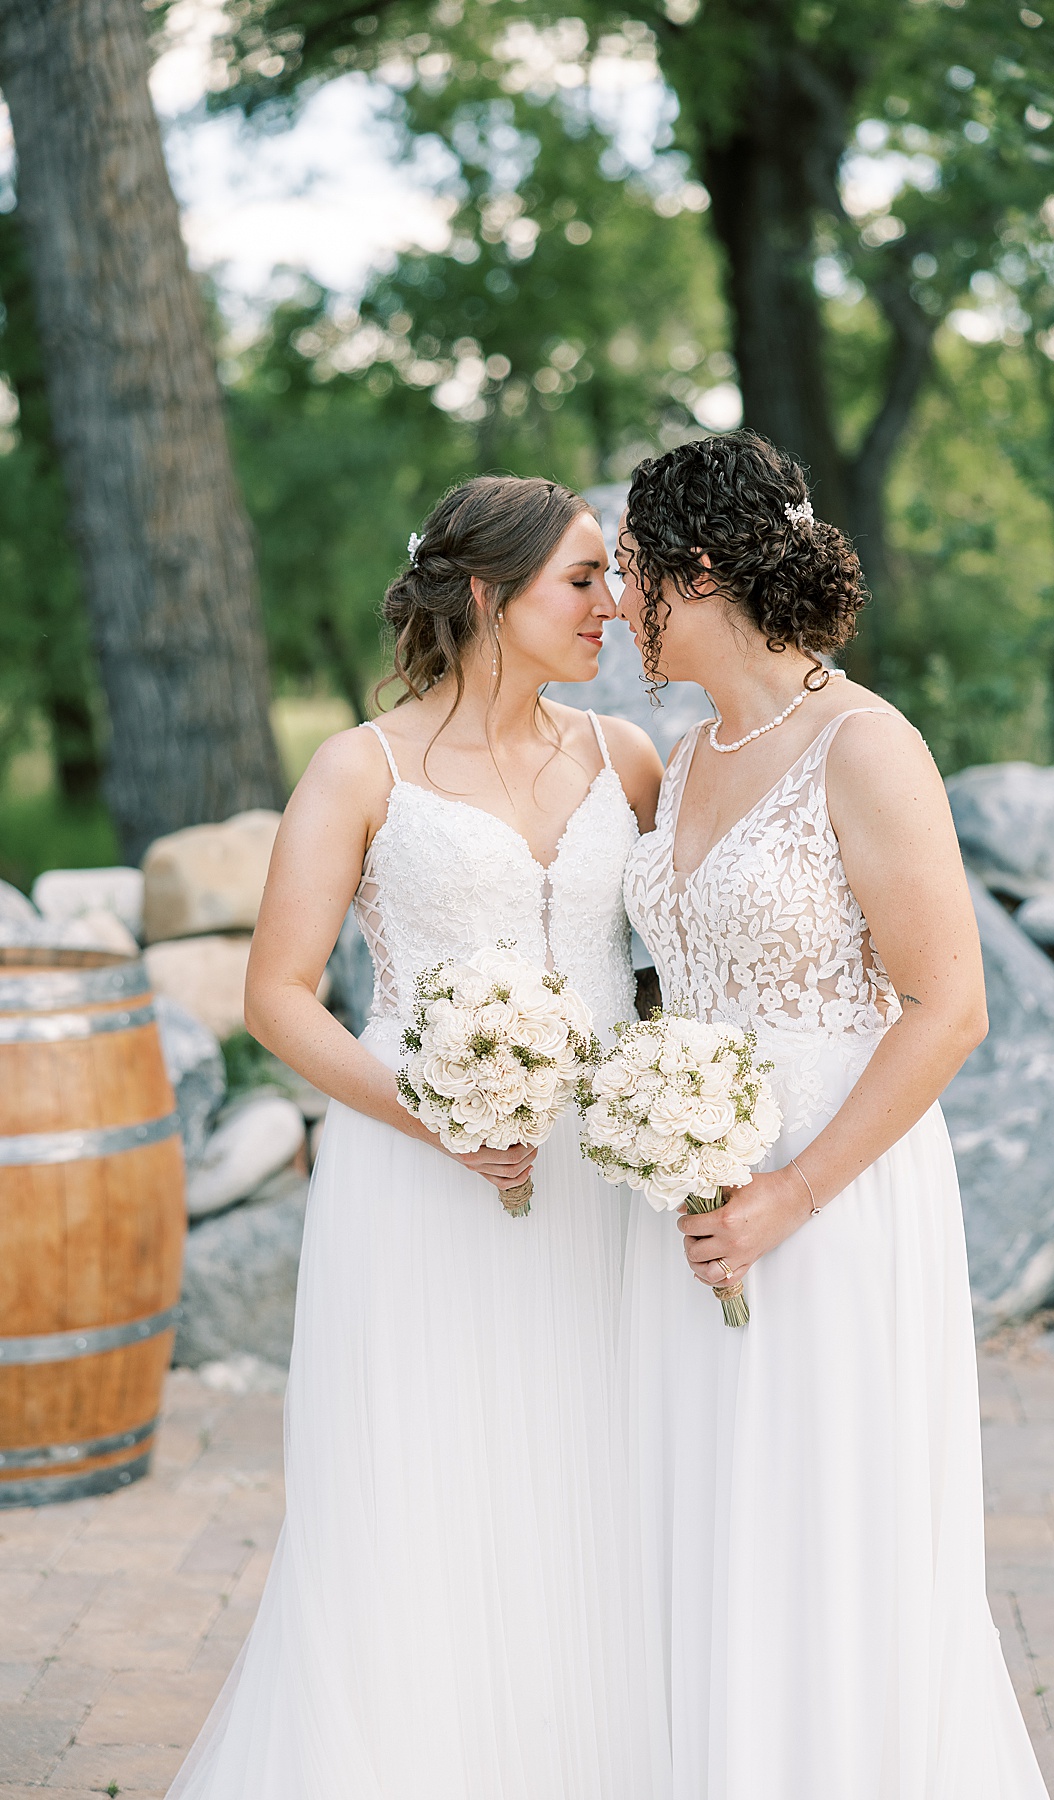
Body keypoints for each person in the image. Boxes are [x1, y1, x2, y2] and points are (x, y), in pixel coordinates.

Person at [166, 475, 665, 1800]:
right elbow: (278, 995)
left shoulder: (625, 759)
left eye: (612, 577)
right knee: (423, 1488)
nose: (611, 602)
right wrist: (437, 1116)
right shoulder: (360, 767)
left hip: (596, 1189)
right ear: (489, 599)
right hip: (417, 1180)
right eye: (582, 578)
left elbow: (678, 959)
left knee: (595, 1473)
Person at [616, 431, 1049, 1800]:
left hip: (833, 1199)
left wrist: (789, 1196)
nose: (618, 604)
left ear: (694, 576)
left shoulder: (867, 745)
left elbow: (950, 1007)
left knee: (826, 1527)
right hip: (689, 1205)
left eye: (631, 574)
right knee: (706, 1526)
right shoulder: (681, 763)